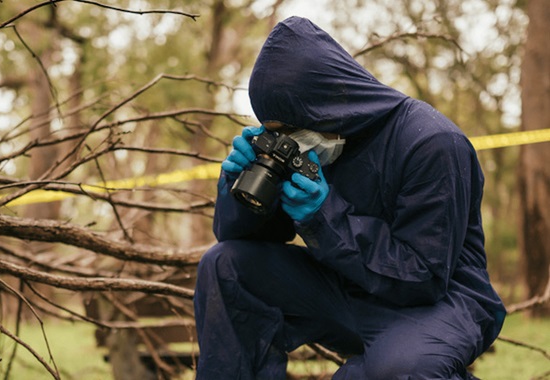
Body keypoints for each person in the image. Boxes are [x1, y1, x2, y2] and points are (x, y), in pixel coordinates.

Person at [194, 16, 506, 380]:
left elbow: (423, 275)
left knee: (394, 371)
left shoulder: (431, 142)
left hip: (441, 302)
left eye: (288, 130)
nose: (286, 143)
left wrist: (323, 217)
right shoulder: (312, 142)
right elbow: (240, 239)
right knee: (225, 265)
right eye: (272, 132)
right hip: (345, 287)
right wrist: (237, 184)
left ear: (324, 107)